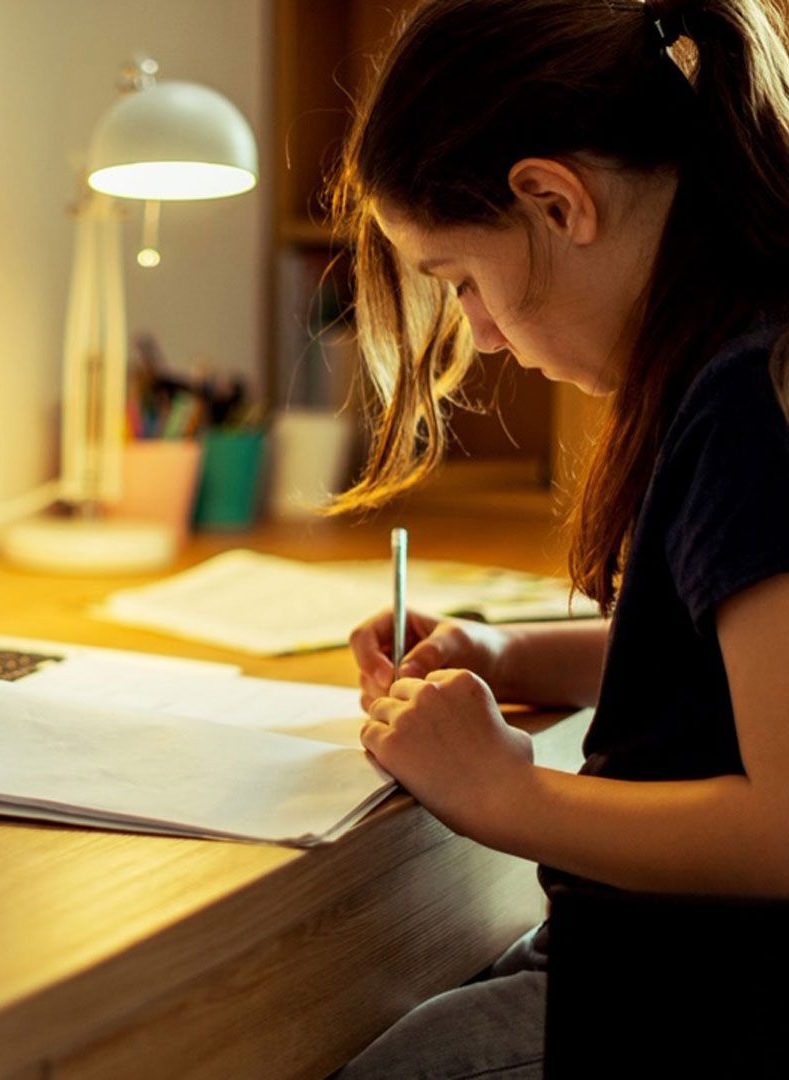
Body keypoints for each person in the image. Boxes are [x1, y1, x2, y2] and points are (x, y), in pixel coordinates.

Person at [325, 0, 789, 1075]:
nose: (480, 333)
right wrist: (511, 652)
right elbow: (728, 669)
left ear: (553, 200)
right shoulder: (748, 349)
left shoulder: (746, 406)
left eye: (464, 281)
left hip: (701, 997)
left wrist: (506, 794)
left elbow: (781, 828)